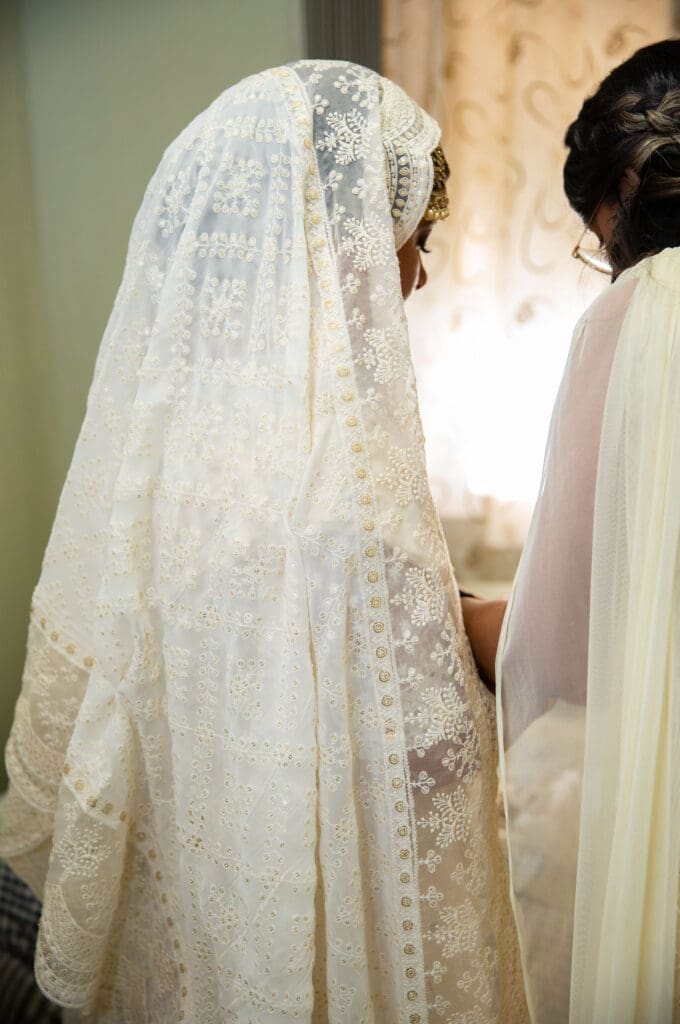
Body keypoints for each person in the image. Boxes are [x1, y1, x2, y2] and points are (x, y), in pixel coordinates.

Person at [0, 61, 527, 1023]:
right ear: (335, 248)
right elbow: (425, 762)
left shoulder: (158, 471)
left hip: (204, 937)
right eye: (412, 240)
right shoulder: (342, 491)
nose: (418, 273)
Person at [490, 39, 680, 1024]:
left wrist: (470, 617)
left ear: (623, 192)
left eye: (597, 237)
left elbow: (564, 652)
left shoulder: (640, 313)